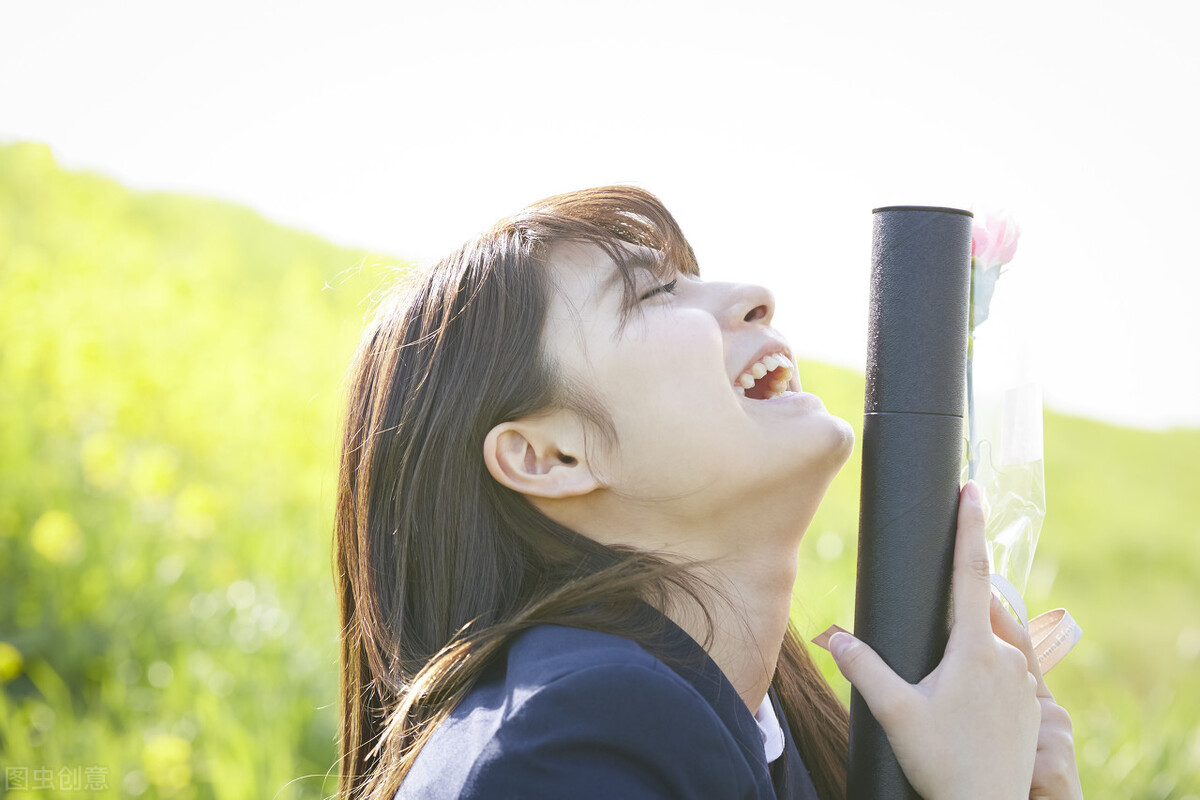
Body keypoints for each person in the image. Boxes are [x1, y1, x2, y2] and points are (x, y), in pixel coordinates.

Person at [332, 186, 1082, 799]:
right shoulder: (568, 745)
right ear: (549, 456)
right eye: (653, 294)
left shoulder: (778, 740)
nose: (756, 295)